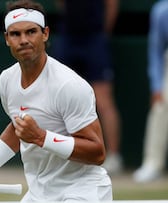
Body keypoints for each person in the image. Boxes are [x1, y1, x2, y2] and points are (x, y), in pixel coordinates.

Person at [0, 0, 112, 201]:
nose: (23, 40)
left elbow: (97, 153)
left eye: (31, 32)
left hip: (82, 190)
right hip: (40, 192)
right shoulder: (6, 79)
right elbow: (17, 128)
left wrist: (40, 137)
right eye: (15, 34)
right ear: (7, 39)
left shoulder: (68, 85)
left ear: (45, 34)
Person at [50, 0, 123, 174]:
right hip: (68, 36)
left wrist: (102, 34)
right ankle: (58, 154)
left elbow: (112, 5)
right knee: (57, 96)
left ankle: (113, 156)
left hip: (95, 39)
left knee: (104, 100)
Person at [133, 0, 168, 183]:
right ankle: (153, 164)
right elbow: (156, 50)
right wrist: (157, 86)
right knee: (160, 108)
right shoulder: (162, 10)